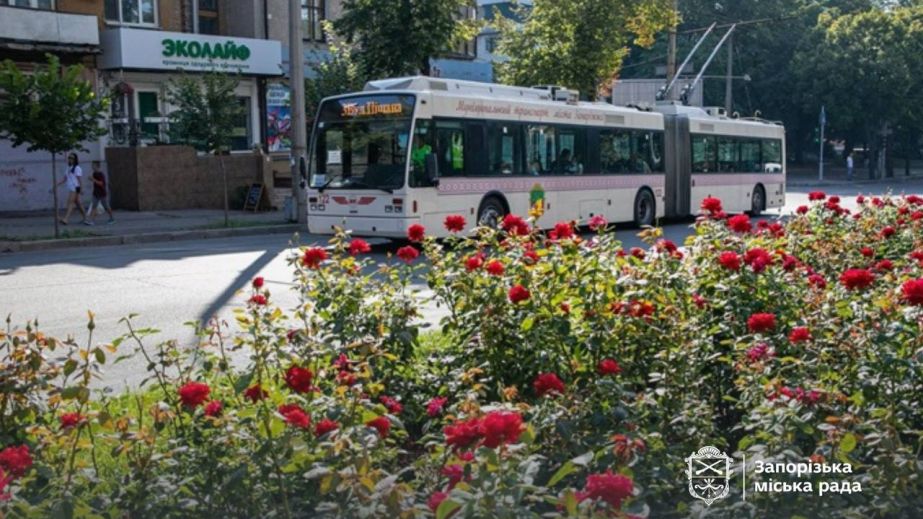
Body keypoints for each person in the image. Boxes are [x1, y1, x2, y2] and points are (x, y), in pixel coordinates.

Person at [56, 152, 89, 225]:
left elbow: (79, 179)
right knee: (78, 203)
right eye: (69, 158)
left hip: (75, 187)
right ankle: (86, 218)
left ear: (75, 160)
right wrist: (57, 184)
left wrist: (81, 189)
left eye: (72, 158)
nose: (70, 159)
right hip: (71, 188)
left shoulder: (77, 168)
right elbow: (65, 179)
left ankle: (66, 219)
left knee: (70, 202)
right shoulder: (68, 168)